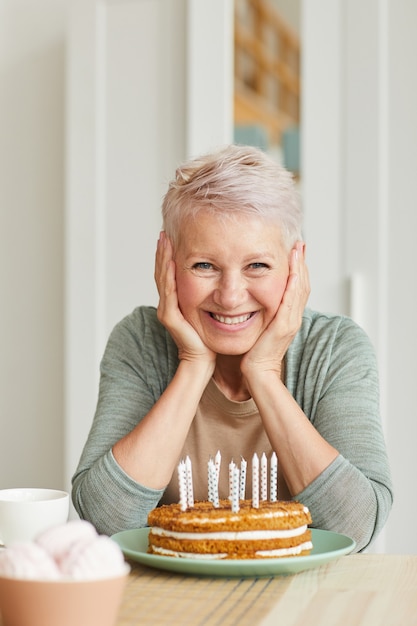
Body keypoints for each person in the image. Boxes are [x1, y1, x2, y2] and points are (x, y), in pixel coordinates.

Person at [72, 144, 393, 551]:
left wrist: (263, 374)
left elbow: (356, 527)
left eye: (257, 265)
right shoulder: (140, 341)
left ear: (295, 266)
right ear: (168, 265)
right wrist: (192, 364)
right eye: (204, 266)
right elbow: (105, 521)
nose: (230, 296)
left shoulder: (335, 348)